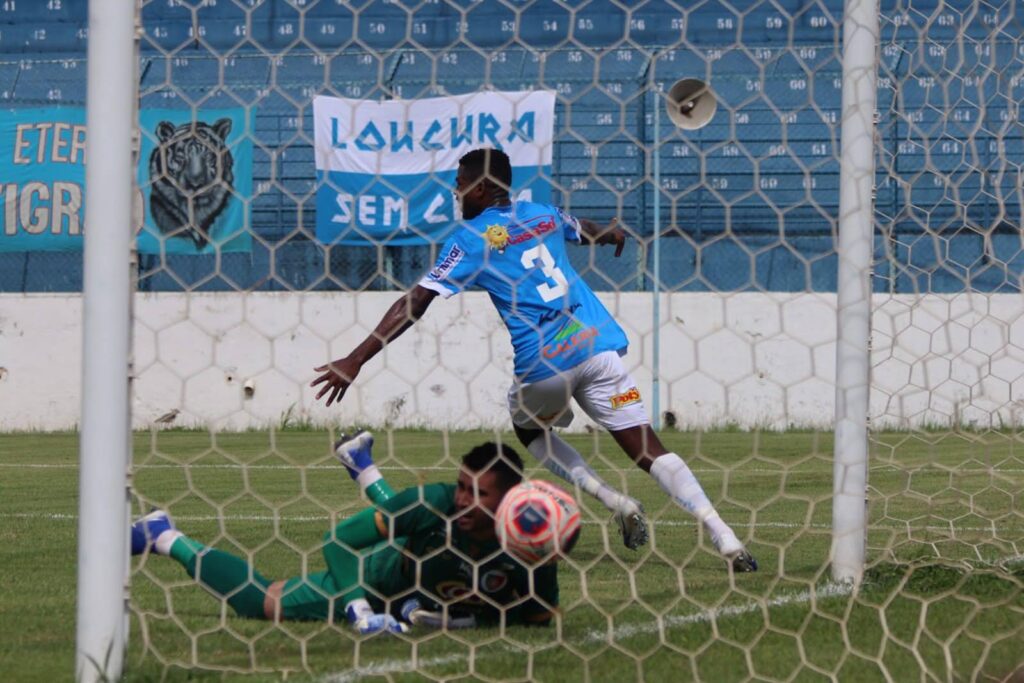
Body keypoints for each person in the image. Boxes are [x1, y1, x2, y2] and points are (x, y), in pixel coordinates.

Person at [311, 147, 756, 572]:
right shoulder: (542, 213)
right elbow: (584, 227)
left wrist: (356, 358)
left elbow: (416, 301)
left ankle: (612, 501)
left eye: (461, 185)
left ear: (482, 189)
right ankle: (726, 537)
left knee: (529, 431)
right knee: (649, 450)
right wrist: (614, 233)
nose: (456, 193)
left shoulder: (469, 239)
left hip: (544, 364)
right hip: (598, 346)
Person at [131, 435, 561, 633]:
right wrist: (358, 608)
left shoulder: (530, 544)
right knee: (266, 602)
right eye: (462, 487)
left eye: (478, 493)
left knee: (413, 528)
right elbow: (338, 541)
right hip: (380, 577)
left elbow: (538, 622)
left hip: (419, 564)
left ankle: (360, 464)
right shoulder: (435, 501)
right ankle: (166, 536)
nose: (464, 500)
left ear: (510, 498)